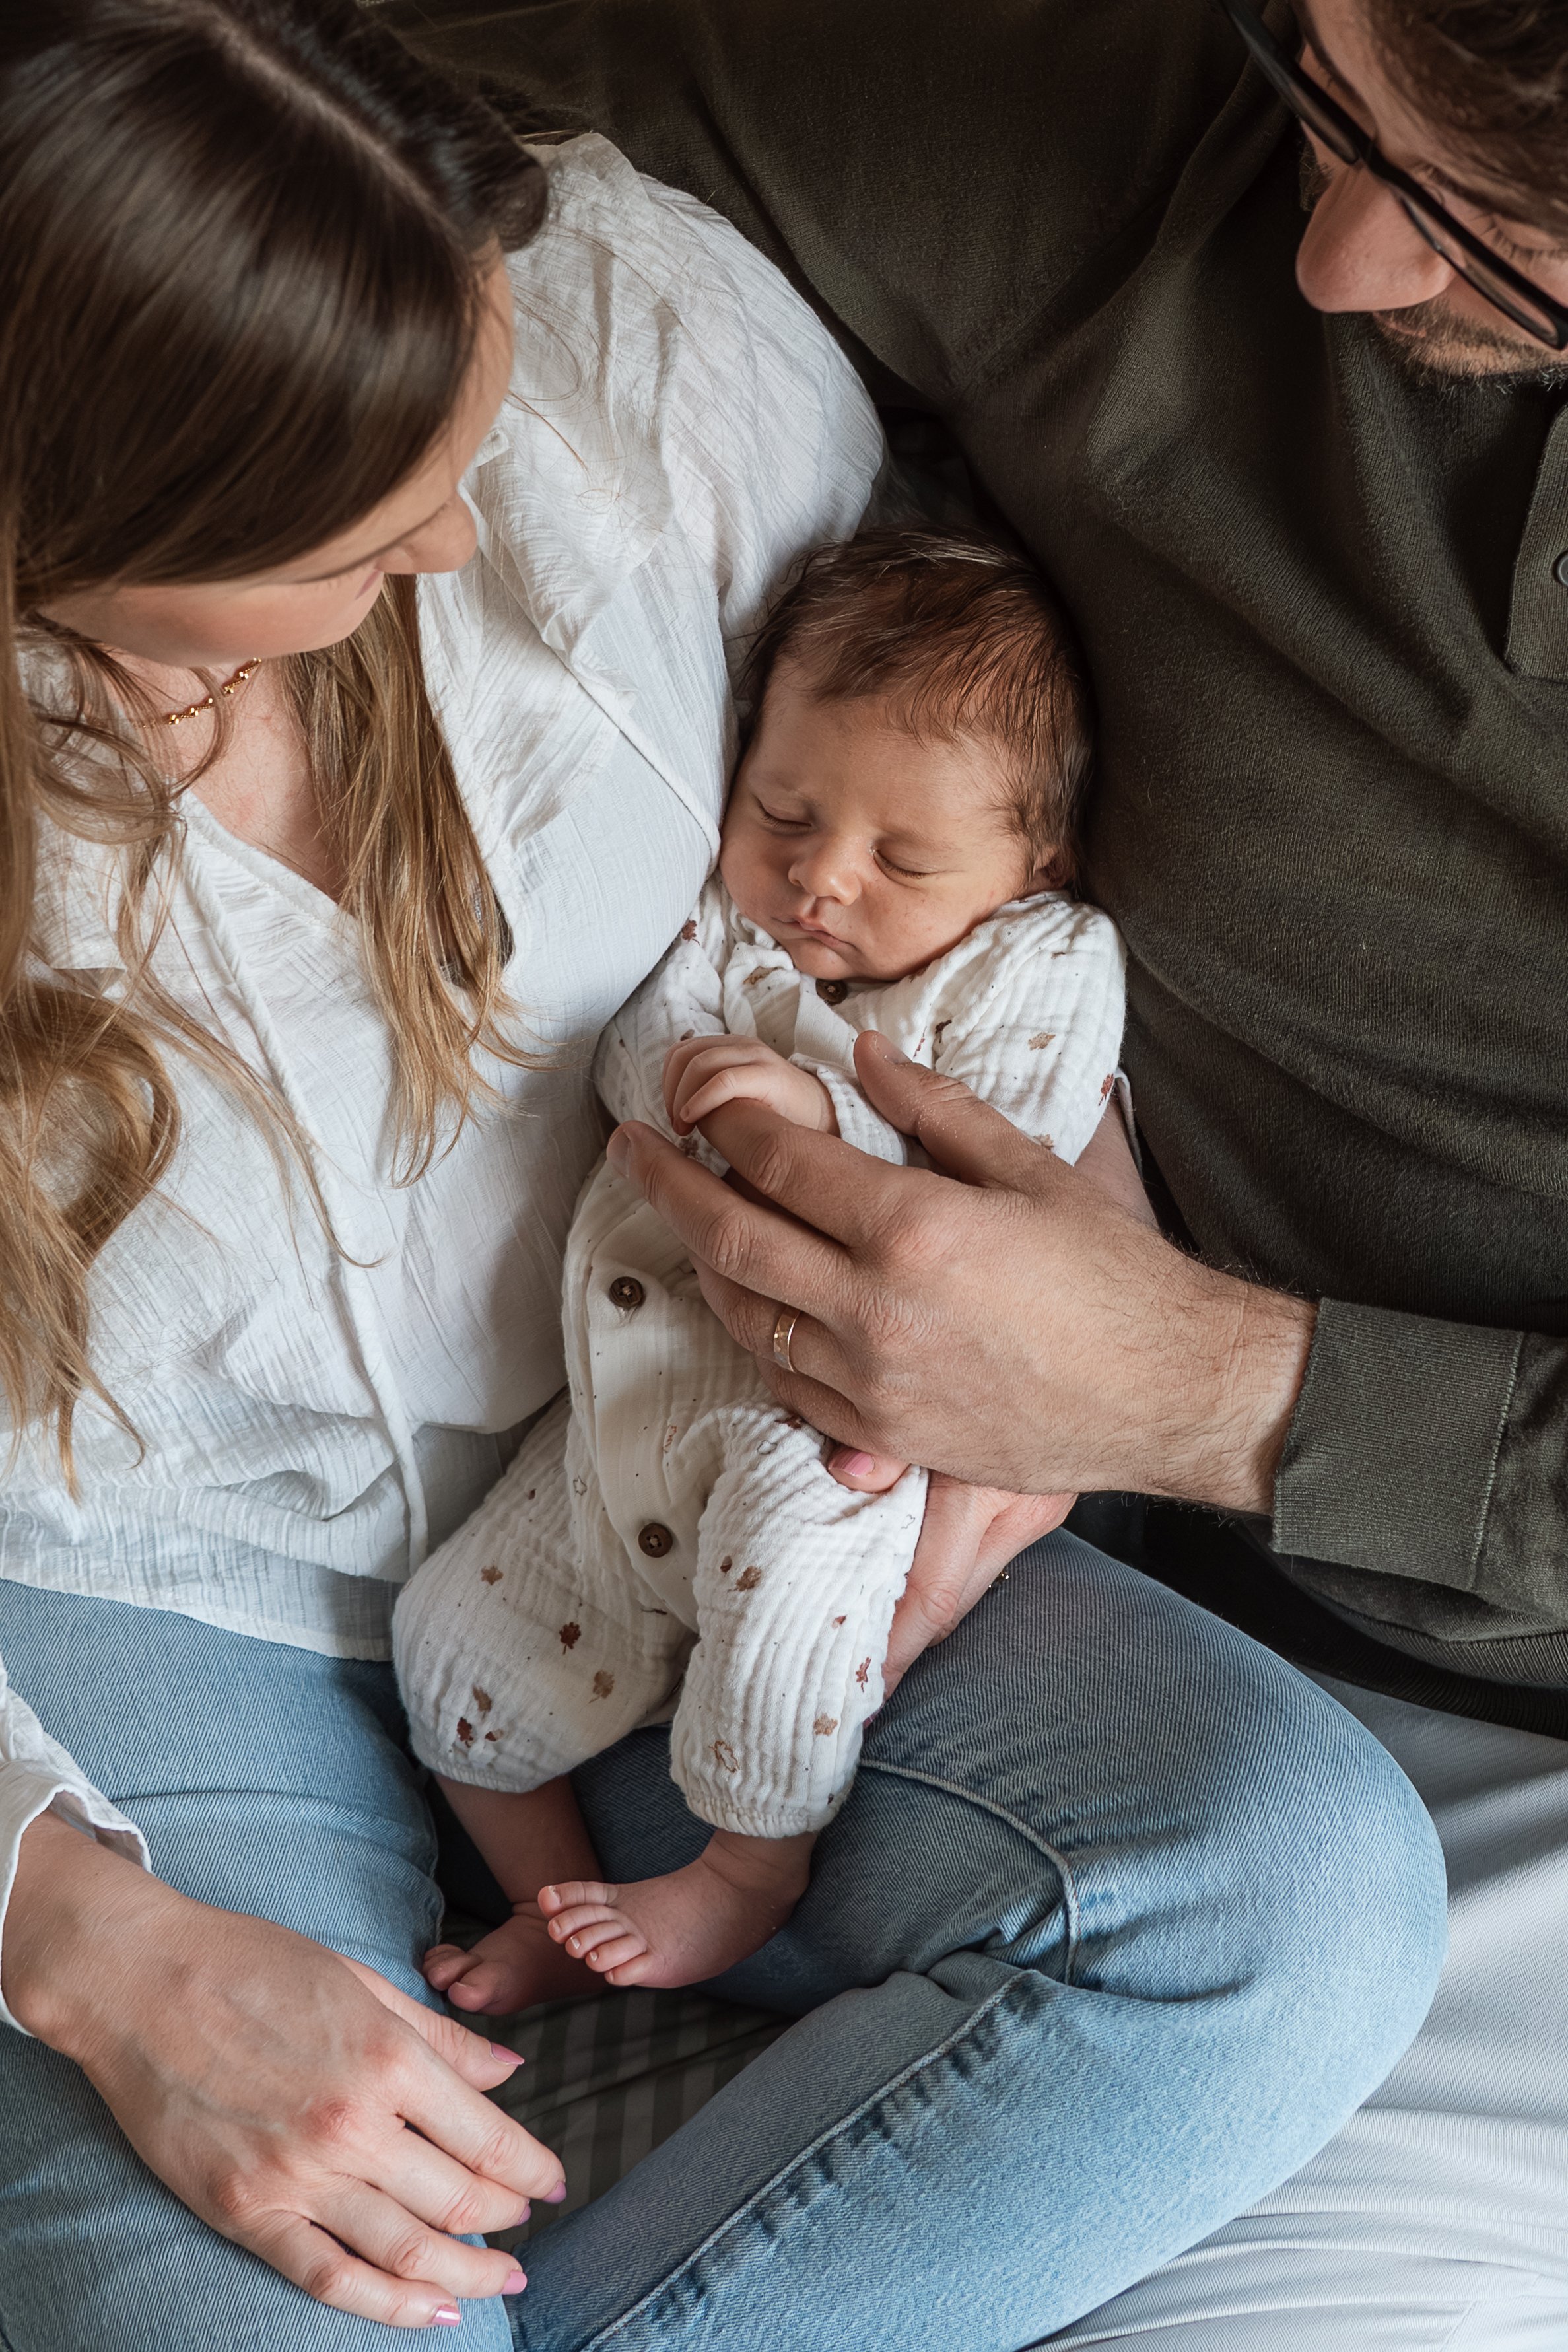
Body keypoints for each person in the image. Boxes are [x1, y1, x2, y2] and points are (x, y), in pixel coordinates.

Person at [0, 5, 1447, 2350]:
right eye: (367, 535)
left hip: (675, 1452)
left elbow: (939, 798)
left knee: (1283, 1902)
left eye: (456, 459)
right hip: (129, 1614)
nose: (456, 539)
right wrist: (75, 1928)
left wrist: (1057, 1261)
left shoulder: (618, 354)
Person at [376, 0, 1568, 2339]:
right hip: (1129, 1675)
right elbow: (222, 106)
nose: (1325, 261)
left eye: (1491, 234)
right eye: (1330, 103)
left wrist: (1217, 1384)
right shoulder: (1150, 134)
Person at [393, 530, 1126, 2007]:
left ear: (1035, 858)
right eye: (782, 810)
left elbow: (1008, 1186)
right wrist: (695, 1077)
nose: (821, 880)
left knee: (798, 1600)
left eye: (902, 857)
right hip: (622, 1411)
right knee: (446, 1637)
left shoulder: (1039, 970)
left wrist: (818, 1117)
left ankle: (742, 1872)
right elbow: (634, 1039)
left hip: (825, 1422)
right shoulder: (723, 928)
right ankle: (552, 1900)